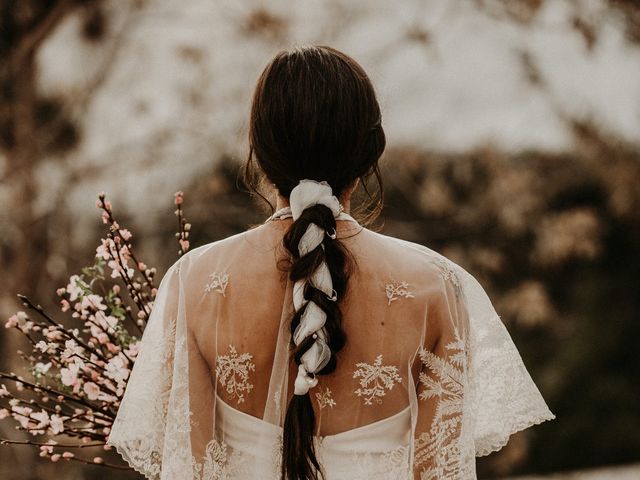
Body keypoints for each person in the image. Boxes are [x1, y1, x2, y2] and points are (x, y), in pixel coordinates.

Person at [107, 44, 555, 480]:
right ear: (368, 153)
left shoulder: (195, 282)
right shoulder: (437, 286)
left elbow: (192, 469)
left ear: (260, 152)